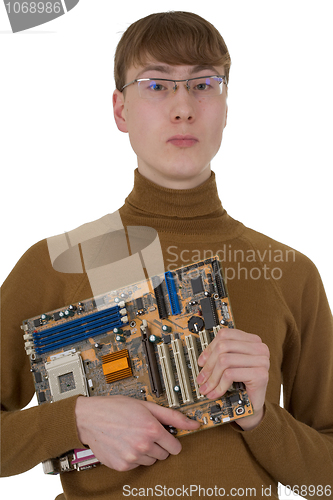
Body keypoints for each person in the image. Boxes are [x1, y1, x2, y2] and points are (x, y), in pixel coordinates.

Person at [1, 11, 332, 500]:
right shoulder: (56, 263)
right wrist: (73, 419)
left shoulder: (291, 272)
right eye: (156, 85)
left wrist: (261, 416)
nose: (183, 108)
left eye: (204, 84)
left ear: (225, 105)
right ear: (120, 110)